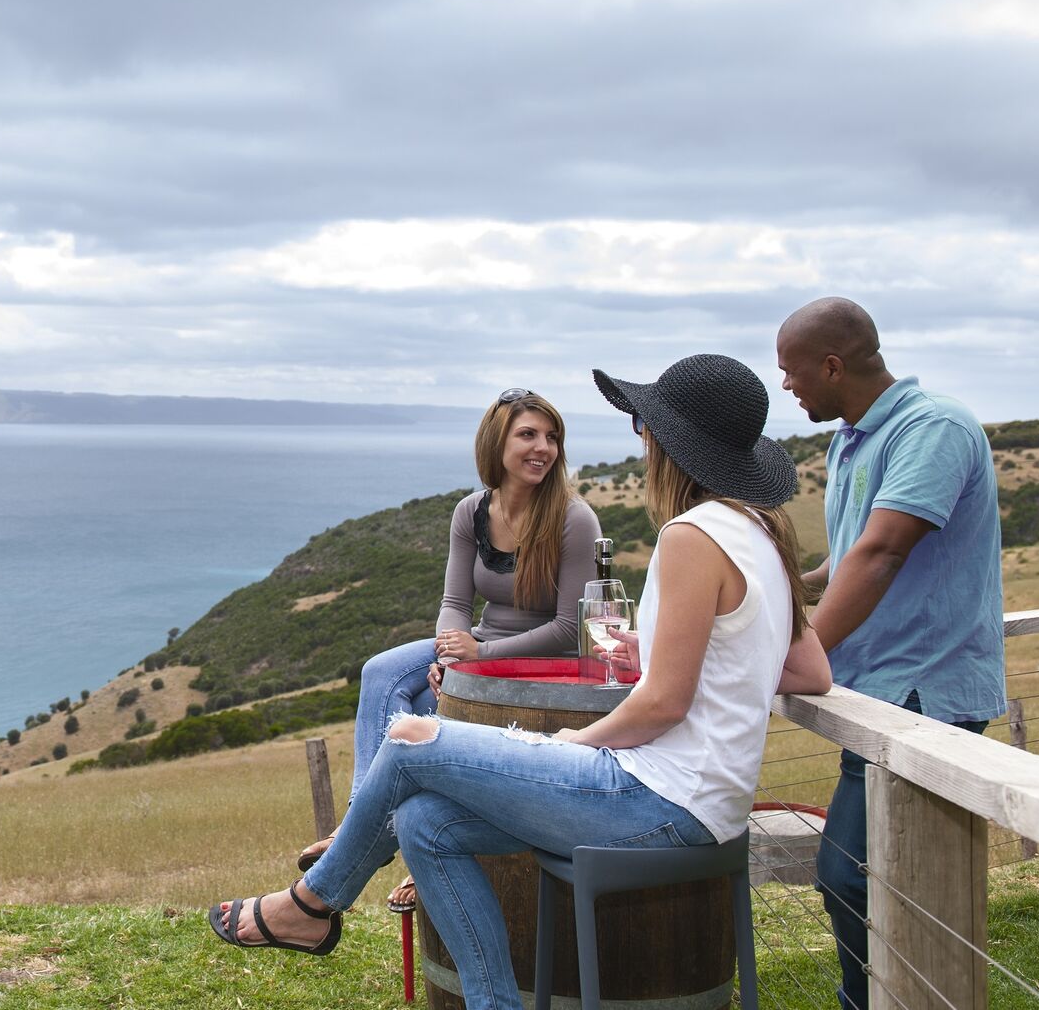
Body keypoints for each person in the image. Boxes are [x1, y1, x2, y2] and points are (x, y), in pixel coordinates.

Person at [208, 354, 832, 1010]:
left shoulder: (689, 537)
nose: (641, 444)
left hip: (659, 800)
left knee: (414, 736)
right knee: (425, 823)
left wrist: (569, 742)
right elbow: (807, 668)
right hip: (701, 802)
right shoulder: (762, 529)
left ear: (666, 444)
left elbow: (664, 701)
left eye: (642, 429)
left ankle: (312, 902)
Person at [775, 297, 1005, 1010]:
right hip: (874, 688)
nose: (788, 387)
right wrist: (771, 587)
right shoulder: (853, 438)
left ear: (833, 365)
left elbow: (881, 554)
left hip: (924, 691)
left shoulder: (930, 427)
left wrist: (795, 653)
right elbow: (845, 562)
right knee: (877, 880)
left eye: (792, 372)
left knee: (856, 875)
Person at [302, 388, 602, 909]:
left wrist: (476, 660)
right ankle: (363, 822)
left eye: (551, 437)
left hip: (542, 661)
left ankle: (369, 838)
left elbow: (571, 629)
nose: (543, 448)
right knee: (382, 672)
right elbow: (454, 601)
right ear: (496, 443)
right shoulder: (471, 511)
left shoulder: (574, 519)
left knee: (425, 708)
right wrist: (448, 656)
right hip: (480, 646)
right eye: (528, 434)